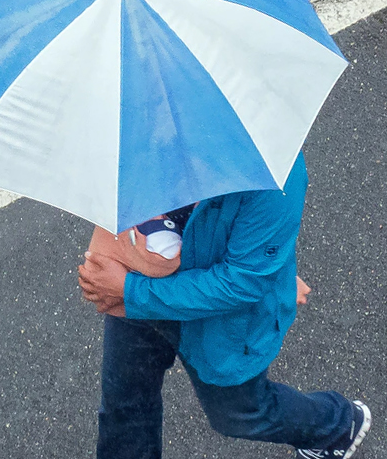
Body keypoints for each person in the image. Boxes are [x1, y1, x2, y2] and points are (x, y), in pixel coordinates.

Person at [77, 154, 371, 459]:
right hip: (142, 278)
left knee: (239, 414)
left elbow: (241, 282)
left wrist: (128, 289)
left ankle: (336, 425)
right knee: (124, 407)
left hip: (214, 317)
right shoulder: (148, 124)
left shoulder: (275, 169)